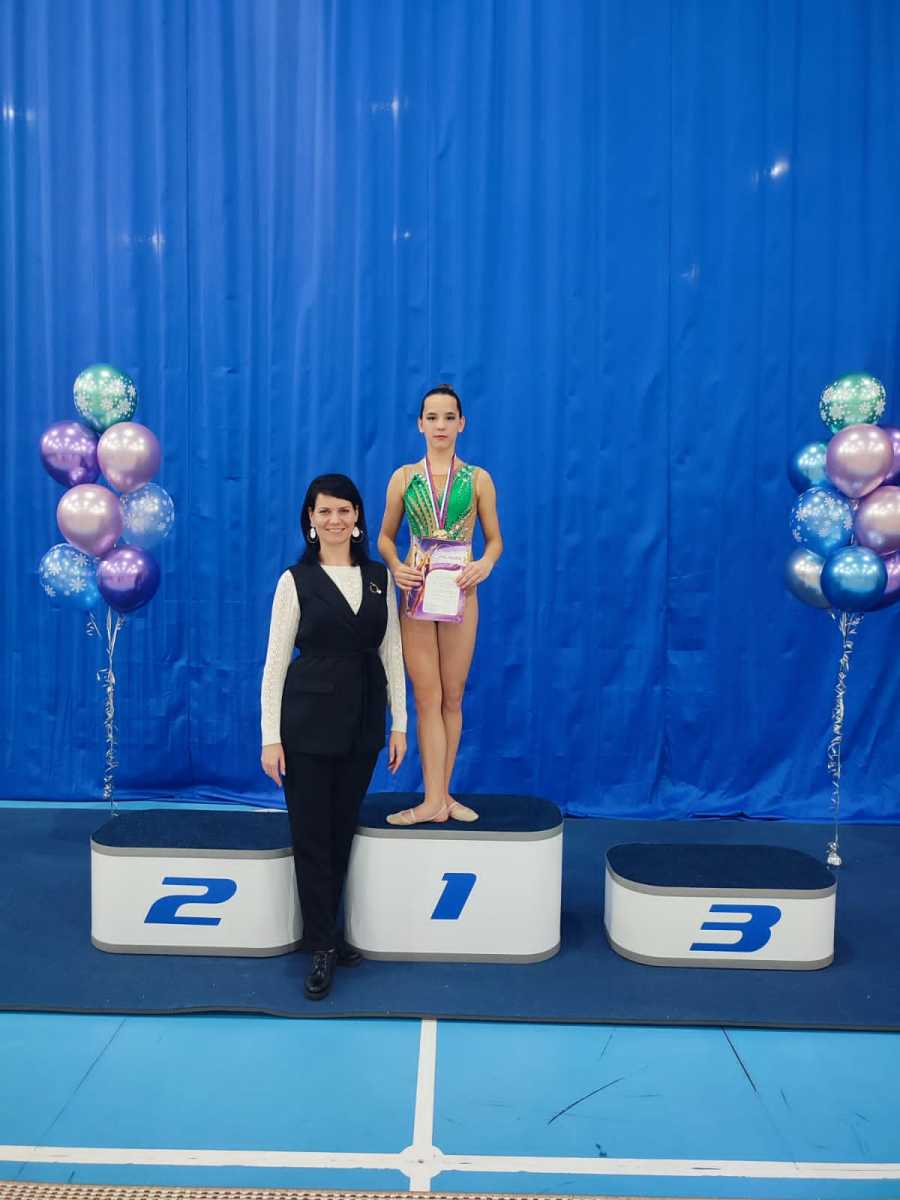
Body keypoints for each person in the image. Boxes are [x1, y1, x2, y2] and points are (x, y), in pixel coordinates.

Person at [260, 474, 407, 1000]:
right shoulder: (294, 581)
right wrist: (270, 738)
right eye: (324, 511)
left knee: (342, 831)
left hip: (363, 723)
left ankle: (327, 930)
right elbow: (275, 663)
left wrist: (399, 722)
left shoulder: (379, 578)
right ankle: (321, 945)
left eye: (344, 510)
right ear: (310, 519)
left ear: (358, 517)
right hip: (306, 726)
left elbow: (392, 653)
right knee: (311, 835)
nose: (335, 520)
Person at [377, 385, 502, 826]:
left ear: (462, 423)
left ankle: (442, 797)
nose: (441, 425)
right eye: (432, 417)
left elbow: (495, 540)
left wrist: (484, 563)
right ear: (420, 424)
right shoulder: (404, 478)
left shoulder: (479, 479)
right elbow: (385, 538)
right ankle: (432, 800)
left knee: (453, 696)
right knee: (427, 696)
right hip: (416, 590)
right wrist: (396, 565)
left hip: (460, 591)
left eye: (449, 417)